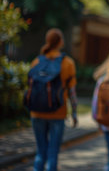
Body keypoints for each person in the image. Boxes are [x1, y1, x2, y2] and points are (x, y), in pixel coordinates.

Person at [29, 28, 78, 171]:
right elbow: (72, 92)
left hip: (36, 113)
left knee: (40, 152)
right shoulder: (67, 63)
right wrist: (74, 113)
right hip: (58, 112)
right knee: (52, 153)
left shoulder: (36, 61)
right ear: (60, 42)